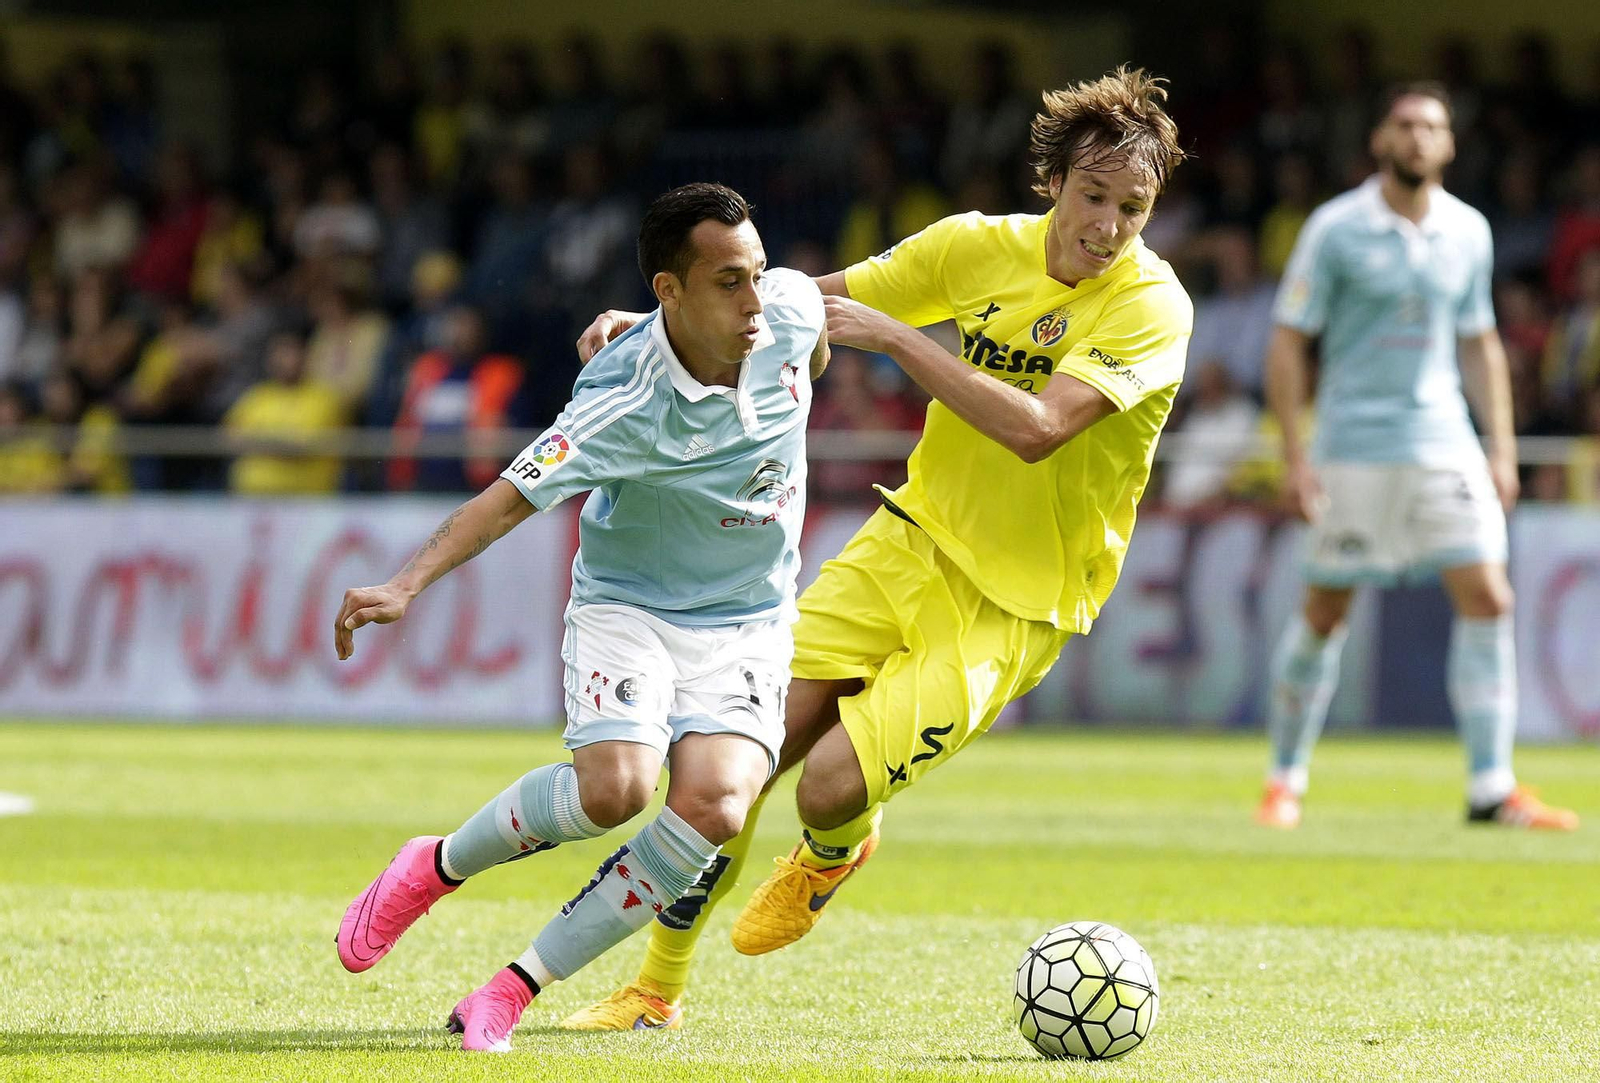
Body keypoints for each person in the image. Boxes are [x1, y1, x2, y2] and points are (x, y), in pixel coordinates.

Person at [566, 66, 1192, 1030]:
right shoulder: (973, 248)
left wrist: (902, 341)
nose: (1107, 225)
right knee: (734, 760)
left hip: (1018, 601)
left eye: (1133, 208)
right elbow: (781, 303)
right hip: (907, 540)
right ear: (1055, 182)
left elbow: (1036, 428)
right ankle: (655, 988)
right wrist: (649, 329)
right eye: (1093, 195)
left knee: (827, 789)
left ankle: (833, 852)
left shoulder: (1152, 306)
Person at [330, 183, 827, 1053]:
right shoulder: (620, 398)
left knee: (716, 806)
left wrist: (651, 312)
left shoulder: (787, 309)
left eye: (755, 274)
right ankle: (434, 864)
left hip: (748, 618)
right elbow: (507, 499)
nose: (755, 302)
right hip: (629, 605)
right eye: (727, 283)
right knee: (617, 791)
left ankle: (511, 988)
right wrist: (405, 584)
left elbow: (818, 336)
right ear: (671, 291)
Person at [1255, 83, 1578, 832]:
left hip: (1442, 442)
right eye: (1404, 125)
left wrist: (1499, 447)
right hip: (1351, 448)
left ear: (1450, 145)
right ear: (1379, 140)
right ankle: (1284, 778)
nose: (1418, 138)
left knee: (1489, 597)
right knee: (1326, 610)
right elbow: (1287, 337)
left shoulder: (1468, 231)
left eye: (1432, 127)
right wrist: (1295, 455)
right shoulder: (1334, 229)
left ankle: (1490, 787)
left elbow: (1478, 340)